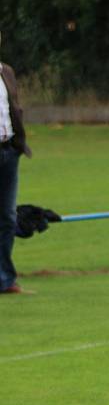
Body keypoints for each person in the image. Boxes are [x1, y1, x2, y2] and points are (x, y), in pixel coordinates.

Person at [0, 32, 33, 295]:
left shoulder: (6, 71)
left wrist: (19, 144)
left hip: (9, 151)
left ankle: (5, 279)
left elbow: (14, 107)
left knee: (8, 217)